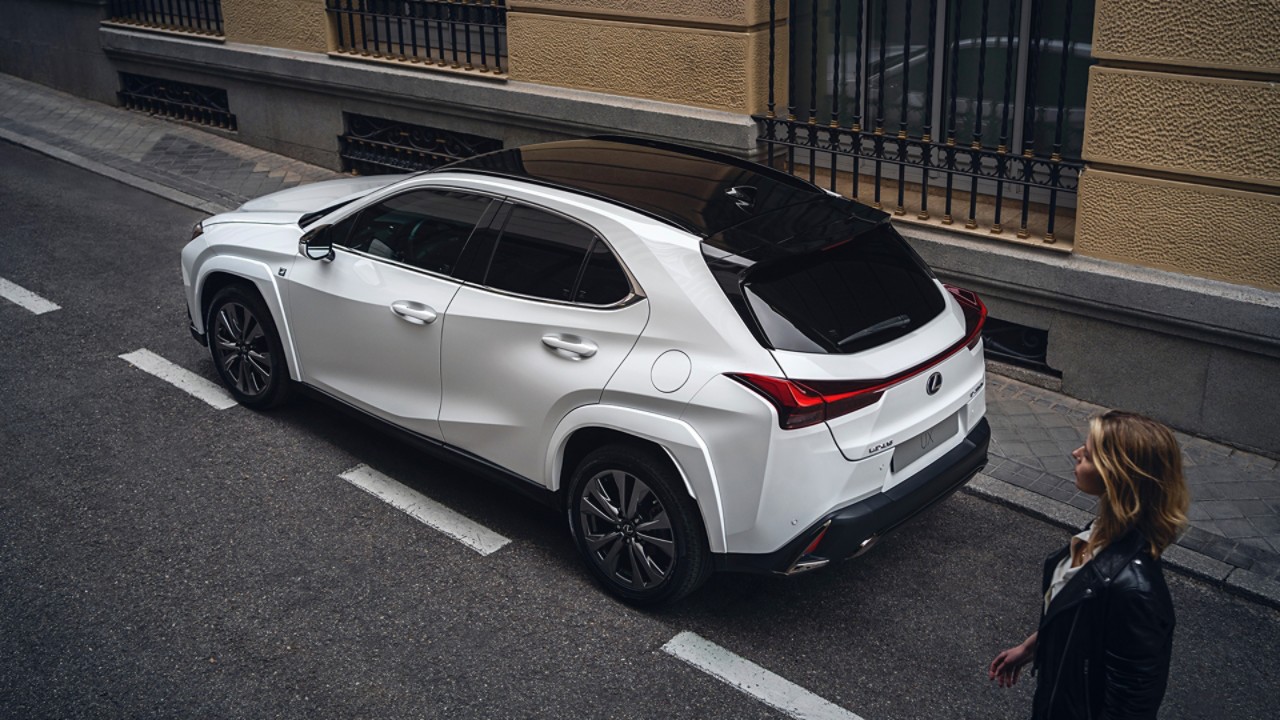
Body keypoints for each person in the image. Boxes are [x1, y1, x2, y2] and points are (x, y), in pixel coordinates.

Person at [989, 410, 1190, 719]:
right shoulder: (1099, 533)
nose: (1076, 453)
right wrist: (1032, 648)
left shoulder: (1137, 590)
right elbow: (1082, 621)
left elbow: (1132, 706)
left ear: (1118, 475)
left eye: (1090, 454)